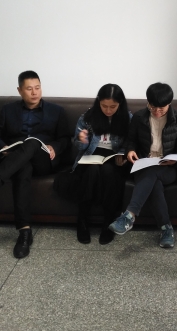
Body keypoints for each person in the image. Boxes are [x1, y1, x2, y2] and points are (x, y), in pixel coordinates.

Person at [0, 70, 70, 259]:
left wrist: (55, 146)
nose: (34, 92)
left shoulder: (56, 111)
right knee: (23, 168)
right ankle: (24, 232)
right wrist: (3, 147)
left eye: (37, 88)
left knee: (31, 142)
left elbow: (66, 138)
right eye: (29, 89)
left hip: (43, 160)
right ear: (19, 90)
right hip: (17, 159)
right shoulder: (8, 110)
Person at [108, 82, 177, 248]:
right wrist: (130, 151)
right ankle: (166, 228)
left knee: (153, 173)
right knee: (154, 183)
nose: (157, 111)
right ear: (148, 102)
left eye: (162, 108)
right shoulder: (139, 117)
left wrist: (175, 159)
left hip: (168, 168)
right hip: (144, 165)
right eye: (153, 107)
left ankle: (129, 215)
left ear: (169, 104)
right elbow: (131, 141)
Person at [54, 84, 132, 245]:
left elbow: (131, 142)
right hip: (90, 156)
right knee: (92, 170)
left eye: (113, 107)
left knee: (109, 171)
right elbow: (80, 147)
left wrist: (122, 154)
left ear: (120, 104)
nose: (108, 110)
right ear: (98, 102)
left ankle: (108, 222)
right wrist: (81, 140)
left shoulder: (127, 118)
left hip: (113, 158)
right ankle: (82, 220)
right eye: (104, 106)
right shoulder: (87, 118)